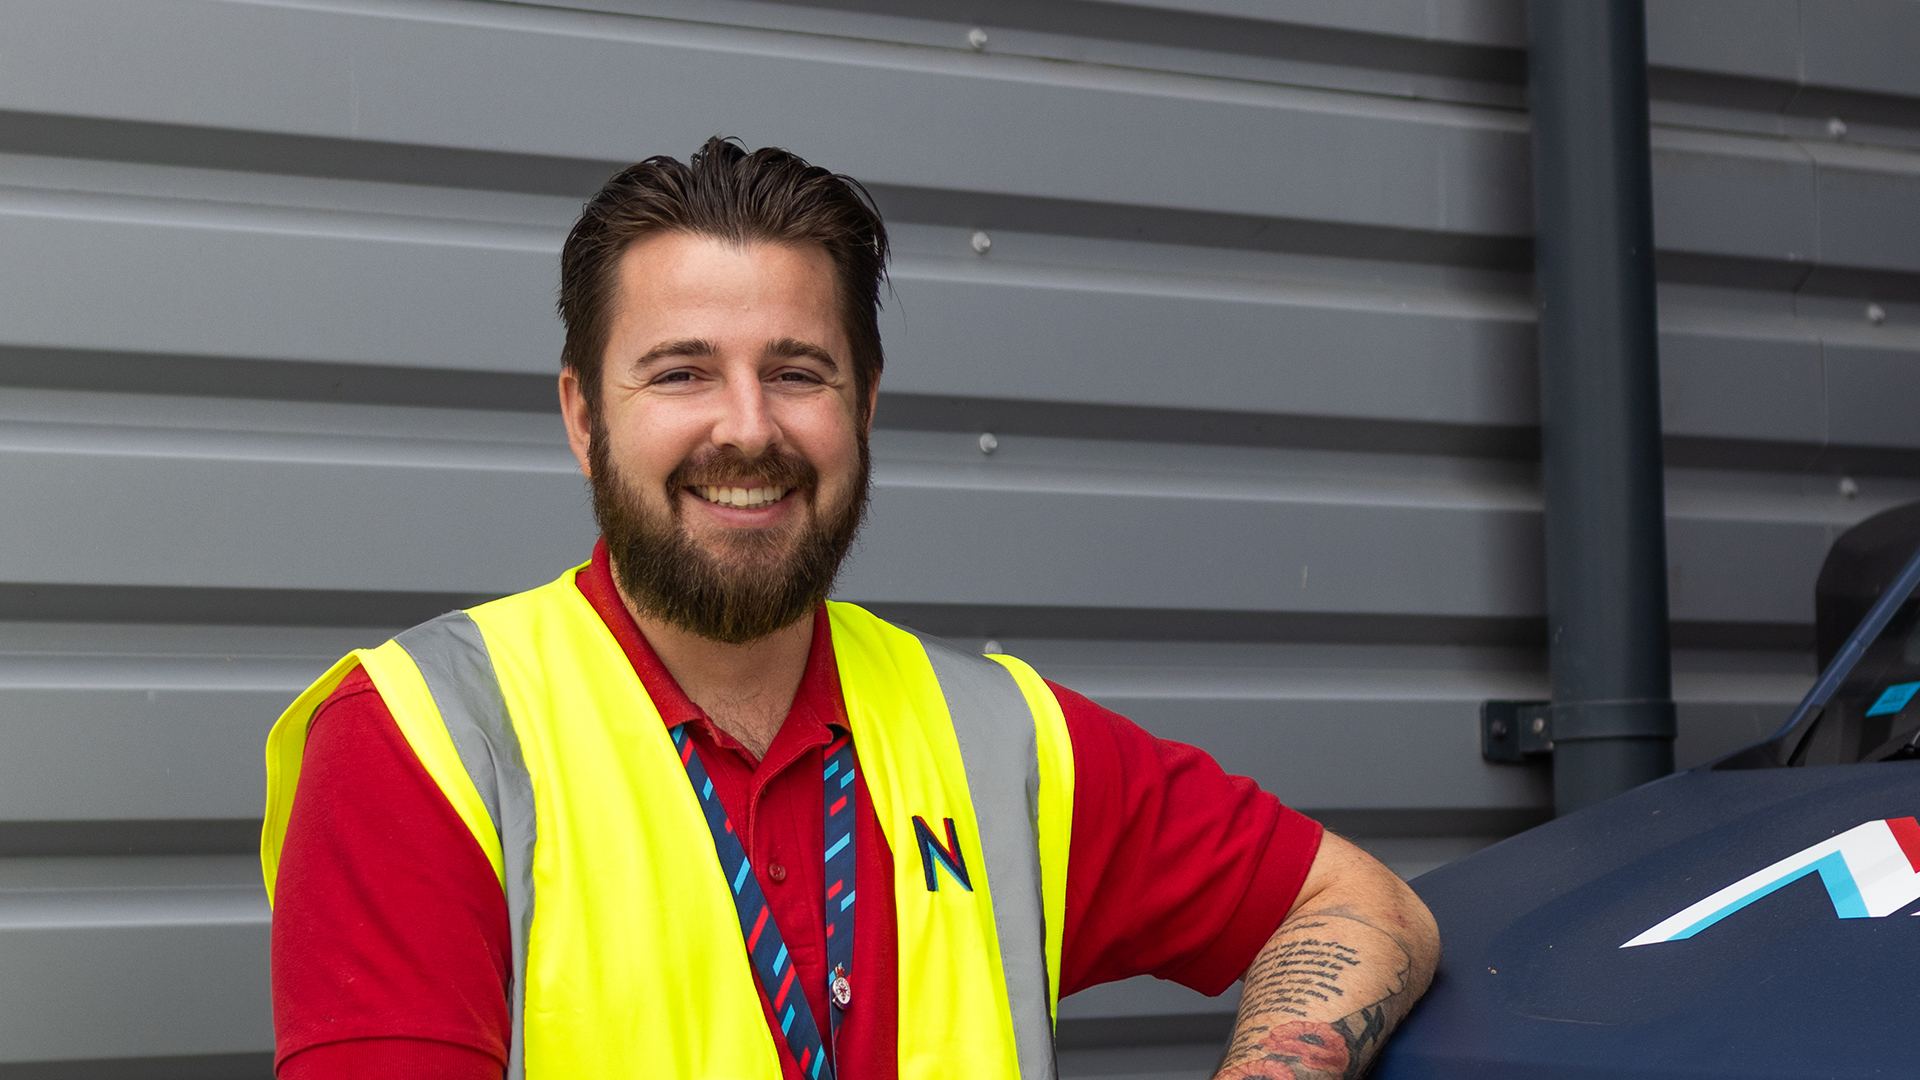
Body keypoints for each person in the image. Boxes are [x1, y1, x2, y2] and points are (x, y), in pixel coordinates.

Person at [261, 137, 1439, 1080]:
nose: (746, 428)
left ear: (863, 406)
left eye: (797, 372)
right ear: (583, 416)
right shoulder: (426, 742)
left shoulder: (998, 742)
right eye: (681, 372)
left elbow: (1361, 905)